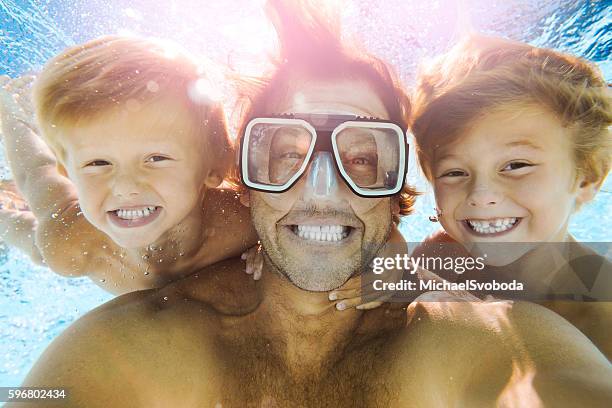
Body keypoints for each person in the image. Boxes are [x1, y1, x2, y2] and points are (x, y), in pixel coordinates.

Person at [10, 1, 612, 406]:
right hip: (92, 244)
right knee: (58, 237)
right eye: (283, 149)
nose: (321, 188)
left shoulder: (485, 314)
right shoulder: (128, 342)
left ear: (404, 187)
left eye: (363, 156)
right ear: (241, 176)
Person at [0, 35, 259, 294]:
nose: (125, 187)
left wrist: (265, 252)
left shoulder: (248, 222)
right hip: (72, 229)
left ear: (214, 166)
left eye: (156, 159)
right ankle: (12, 120)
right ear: (69, 174)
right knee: (40, 236)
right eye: (98, 162)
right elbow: (36, 172)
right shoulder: (74, 244)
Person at [410, 34, 612, 357]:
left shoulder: (602, 318)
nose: (481, 195)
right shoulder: (436, 261)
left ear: (587, 176)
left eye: (516, 165)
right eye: (454, 172)